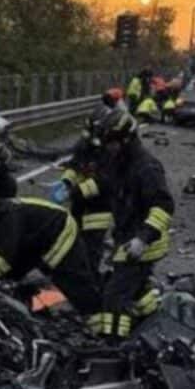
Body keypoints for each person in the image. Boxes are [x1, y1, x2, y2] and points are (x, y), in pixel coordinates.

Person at [85, 109, 174, 338]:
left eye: (111, 143)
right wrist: (76, 191)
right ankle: (152, 308)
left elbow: (163, 206)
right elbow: (108, 186)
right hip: (125, 237)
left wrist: (142, 239)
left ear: (126, 140)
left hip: (143, 243)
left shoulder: (146, 168)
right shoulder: (120, 162)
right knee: (129, 290)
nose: (107, 148)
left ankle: (115, 344)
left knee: (113, 297)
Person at [0, 191, 101, 316]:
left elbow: (4, 255)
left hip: (57, 230)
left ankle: (99, 323)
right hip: (31, 243)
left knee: (72, 283)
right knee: (15, 284)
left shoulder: (6, 214)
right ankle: (38, 309)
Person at [51, 105, 115, 271]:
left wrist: (74, 191)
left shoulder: (113, 150)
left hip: (99, 207)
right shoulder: (86, 144)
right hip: (80, 203)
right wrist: (66, 181)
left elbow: (105, 181)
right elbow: (75, 165)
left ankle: (90, 278)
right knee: (73, 240)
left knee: (92, 247)